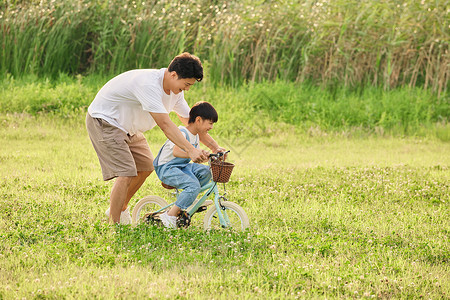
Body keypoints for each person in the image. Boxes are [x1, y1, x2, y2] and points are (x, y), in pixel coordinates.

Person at [85, 52, 225, 224]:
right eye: (186, 84)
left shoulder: (176, 92)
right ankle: (114, 224)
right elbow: (165, 124)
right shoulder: (149, 84)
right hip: (105, 120)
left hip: (130, 128)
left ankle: (120, 208)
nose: (187, 89)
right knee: (126, 172)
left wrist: (215, 147)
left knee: (145, 166)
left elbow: (191, 123)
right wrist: (191, 150)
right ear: (173, 75)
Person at [153, 101, 218, 228]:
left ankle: (191, 198)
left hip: (182, 167)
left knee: (206, 171)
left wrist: (204, 155)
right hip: (167, 168)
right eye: (210, 123)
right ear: (198, 120)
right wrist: (192, 153)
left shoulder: (196, 137)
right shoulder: (182, 132)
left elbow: (193, 157)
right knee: (193, 185)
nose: (211, 127)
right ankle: (170, 215)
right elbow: (176, 151)